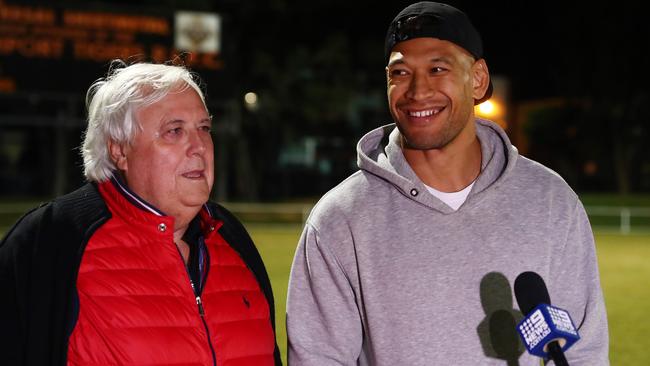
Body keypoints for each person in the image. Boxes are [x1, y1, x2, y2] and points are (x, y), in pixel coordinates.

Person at [286, 2, 609, 365]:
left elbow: (583, 352)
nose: (417, 91)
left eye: (437, 69)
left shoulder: (551, 201)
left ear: (478, 79)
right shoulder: (338, 219)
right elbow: (318, 358)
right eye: (401, 73)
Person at [0, 60, 282, 365]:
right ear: (120, 150)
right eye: (174, 131)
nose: (199, 146)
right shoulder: (52, 240)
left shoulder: (232, 236)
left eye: (203, 128)